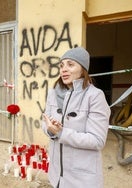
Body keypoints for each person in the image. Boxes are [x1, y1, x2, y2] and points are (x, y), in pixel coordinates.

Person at [42, 47, 110, 188]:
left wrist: (61, 133)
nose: (64, 69)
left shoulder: (95, 96)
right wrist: (50, 130)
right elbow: (45, 123)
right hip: (57, 175)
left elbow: (97, 140)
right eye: (61, 65)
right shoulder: (53, 93)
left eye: (70, 64)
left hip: (82, 179)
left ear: (83, 69)